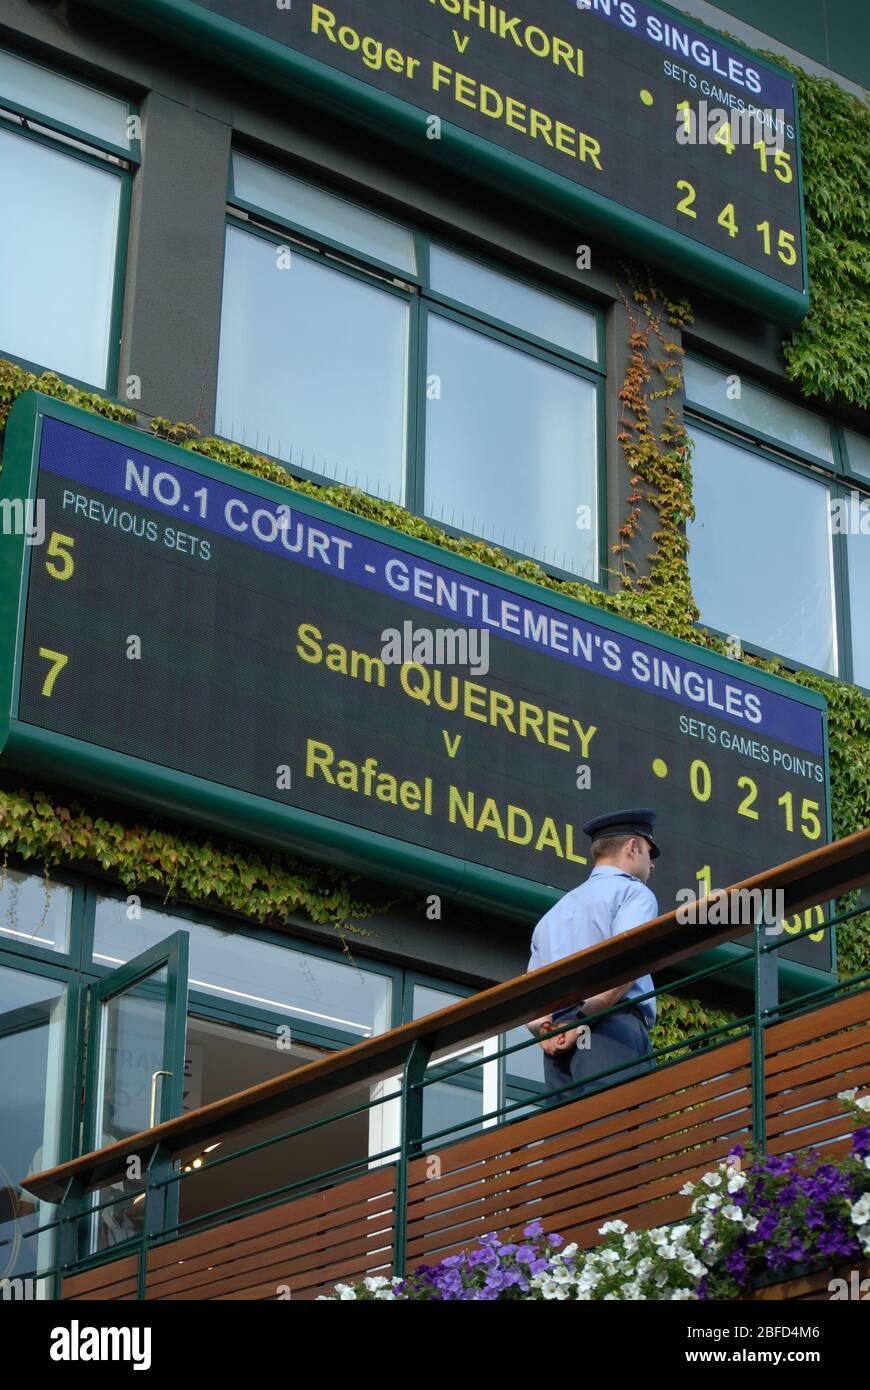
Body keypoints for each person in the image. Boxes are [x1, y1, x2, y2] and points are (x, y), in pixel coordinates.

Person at [527, 808, 661, 1108]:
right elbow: (626, 965)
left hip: (556, 1047)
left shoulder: (551, 915)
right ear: (632, 847)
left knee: (572, 1145)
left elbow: (531, 998)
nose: (651, 865)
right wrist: (581, 1021)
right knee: (622, 1136)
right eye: (649, 853)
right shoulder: (634, 894)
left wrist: (546, 1031)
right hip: (610, 1029)